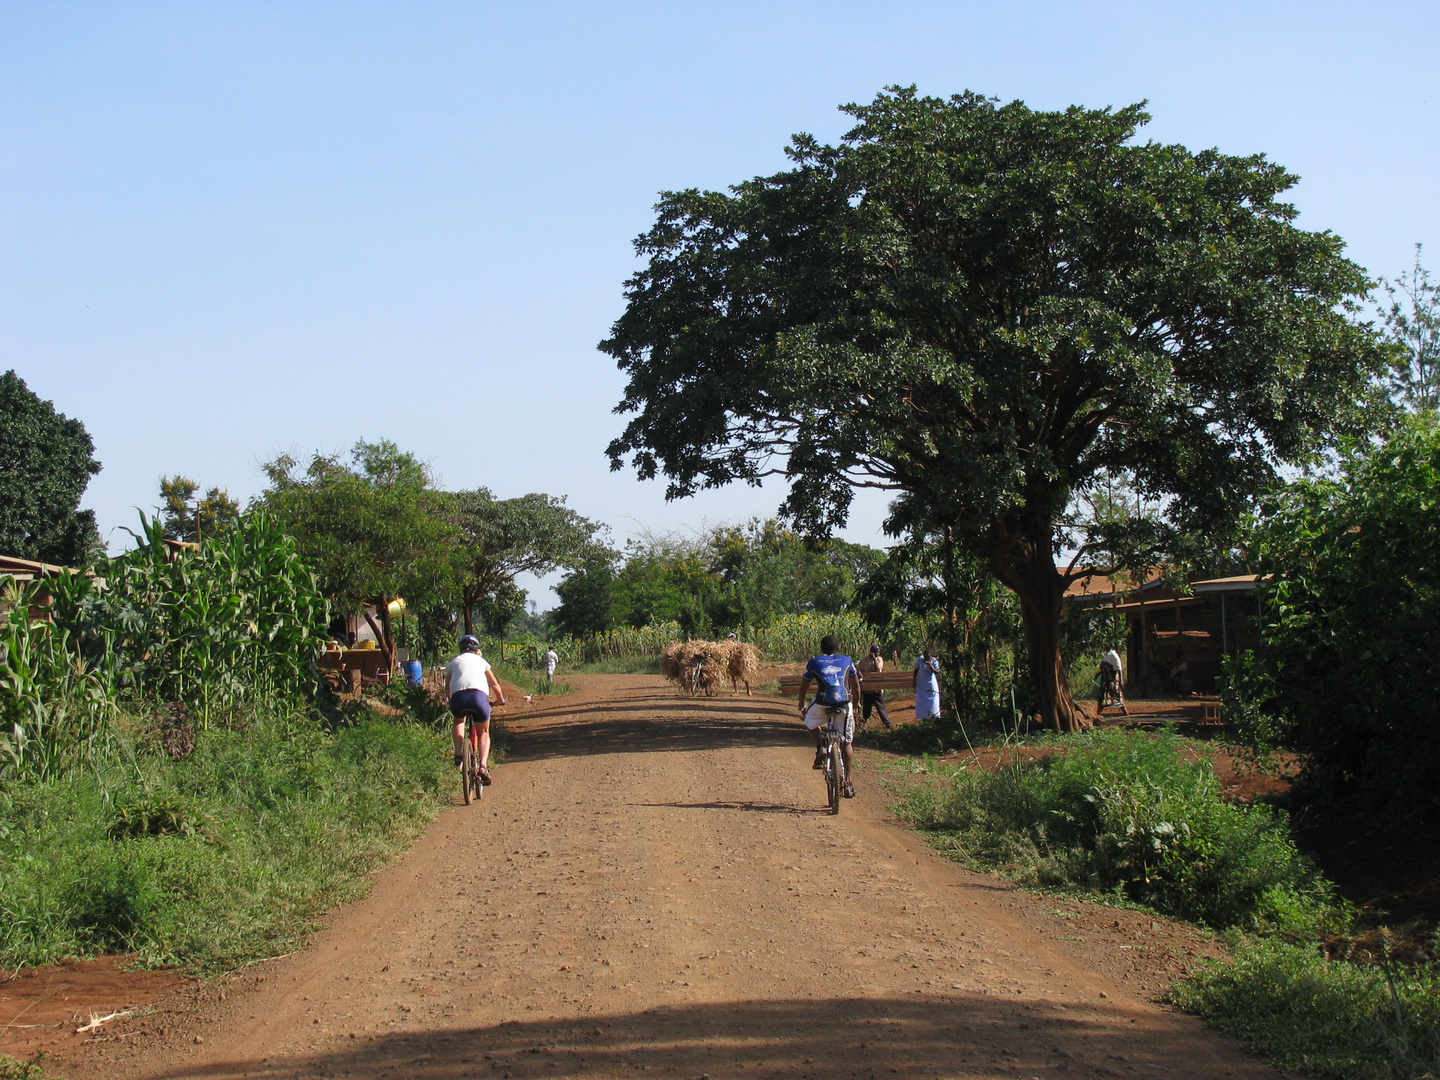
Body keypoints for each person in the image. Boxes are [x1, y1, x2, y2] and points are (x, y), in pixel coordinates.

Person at [798, 634, 863, 798]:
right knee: (847, 742)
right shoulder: (847, 661)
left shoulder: (815, 662)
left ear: (821, 649)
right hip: (843, 702)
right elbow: (855, 686)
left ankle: (820, 746)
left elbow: (804, 686)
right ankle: (848, 782)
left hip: (822, 702)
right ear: (839, 648)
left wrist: (801, 706)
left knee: (809, 722)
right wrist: (856, 705)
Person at [447, 634, 507, 785]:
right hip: (478, 698)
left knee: (459, 721)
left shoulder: (454, 662)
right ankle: (483, 767)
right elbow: (494, 684)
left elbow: (447, 686)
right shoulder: (482, 661)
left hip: (458, 699)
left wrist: (451, 701)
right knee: (484, 732)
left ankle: (459, 753)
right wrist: (500, 701)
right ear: (476, 649)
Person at [857, 642, 893, 730]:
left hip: (877, 689)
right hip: (868, 689)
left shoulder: (879, 659)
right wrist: (861, 676)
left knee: (881, 708)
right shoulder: (864, 660)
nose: (878, 653)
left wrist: (874, 660)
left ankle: (888, 725)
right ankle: (863, 724)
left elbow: (879, 670)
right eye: (877, 652)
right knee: (866, 709)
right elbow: (858, 670)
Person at [1098, 647, 1129, 716]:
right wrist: (1099, 673)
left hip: (1112, 681)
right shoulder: (1107, 655)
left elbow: (1119, 668)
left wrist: (1121, 680)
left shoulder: (1113, 655)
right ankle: (1097, 714)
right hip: (1106, 681)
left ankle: (1126, 714)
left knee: (1116, 695)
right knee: (1103, 698)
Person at [913, 647, 941, 720]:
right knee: (921, 700)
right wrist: (914, 680)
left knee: (933, 701)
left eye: (927, 657)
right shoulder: (920, 659)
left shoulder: (934, 661)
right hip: (922, 684)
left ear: (931, 655)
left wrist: (930, 665)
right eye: (925, 656)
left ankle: (934, 717)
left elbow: (937, 672)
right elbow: (916, 669)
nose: (925, 658)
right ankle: (923, 717)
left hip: (931, 684)